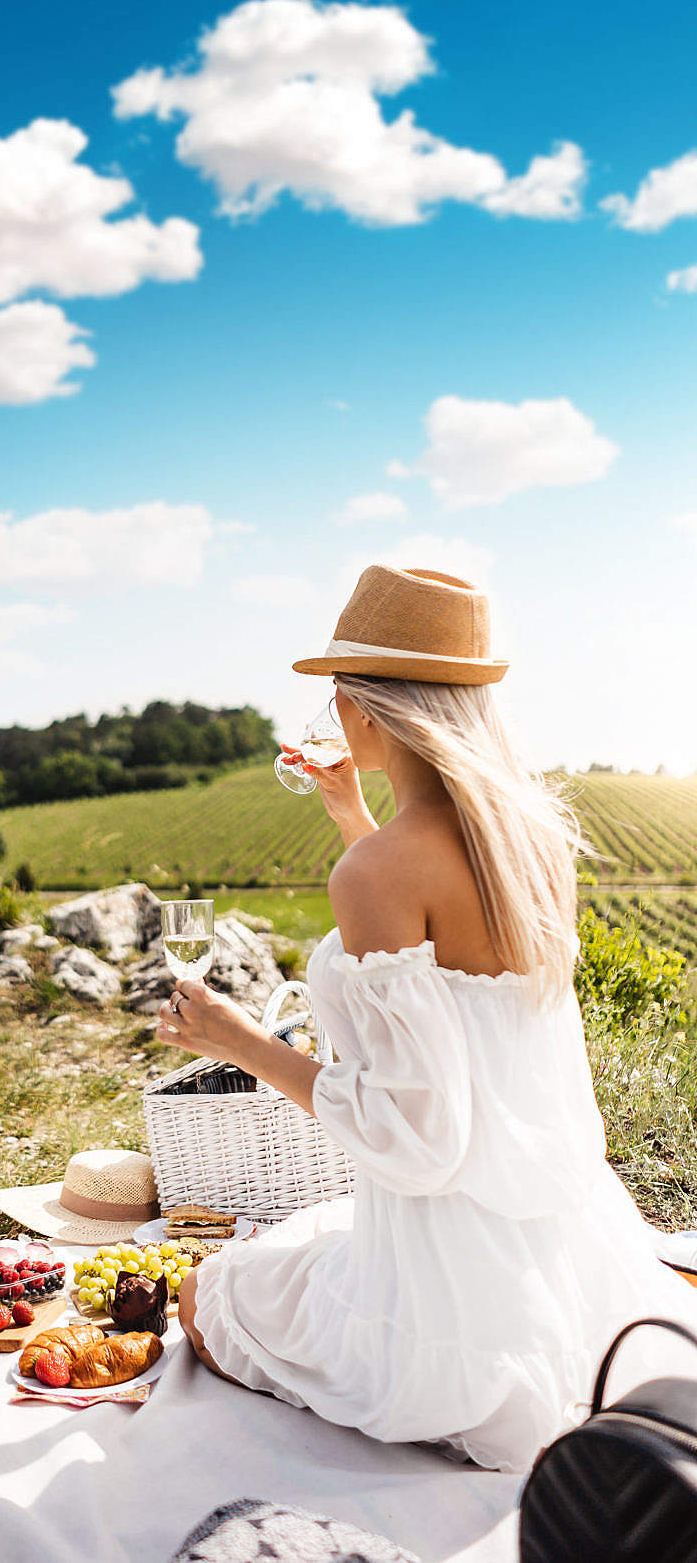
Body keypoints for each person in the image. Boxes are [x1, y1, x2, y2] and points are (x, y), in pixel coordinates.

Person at [156, 563, 697, 1473]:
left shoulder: (375, 876)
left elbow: (413, 1138)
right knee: (280, 1259)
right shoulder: (530, 839)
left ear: (370, 707)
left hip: (445, 1297)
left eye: (337, 689)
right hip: (564, 1252)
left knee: (207, 1296)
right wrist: (348, 812)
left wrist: (238, 1042)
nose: (331, 709)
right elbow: (447, 953)